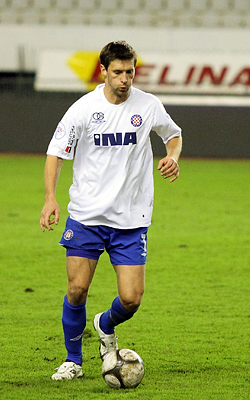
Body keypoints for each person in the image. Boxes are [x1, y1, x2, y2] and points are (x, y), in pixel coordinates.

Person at [40, 41, 182, 380]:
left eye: (129, 72)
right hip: (87, 216)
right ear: (103, 71)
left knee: (131, 299)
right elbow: (55, 153)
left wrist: (172, 157)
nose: (124, 79)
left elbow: (173, 135)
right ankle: (73, 360)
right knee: (77, 289)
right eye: (117, 72)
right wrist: (50, 198)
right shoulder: (83, 109)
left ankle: (104, 324)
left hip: (131, 220)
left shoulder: (148, 105)